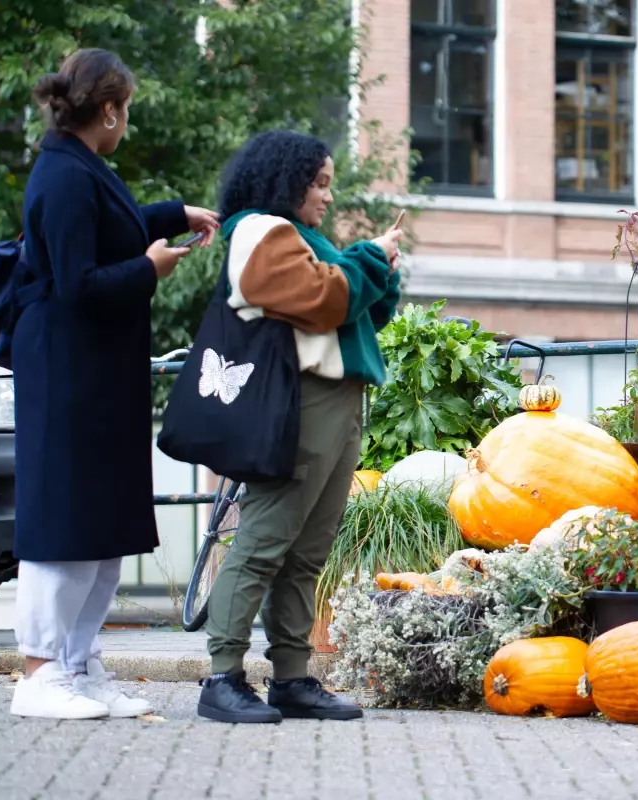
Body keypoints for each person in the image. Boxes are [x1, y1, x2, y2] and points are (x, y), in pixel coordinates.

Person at [11, 48, 219, 720]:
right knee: (65, 522)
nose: (125, 121)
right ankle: (40, 675)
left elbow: (112, 229)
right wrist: (150, 271)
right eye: (125, 110)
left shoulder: (79, 167)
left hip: (95, 372)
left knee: (100, 524)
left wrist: (171, 214)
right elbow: (76, 283)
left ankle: (77, 664)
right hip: (70, 373)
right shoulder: (64, 176)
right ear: (108, 110)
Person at [197, 131, 402, 724]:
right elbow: (324, 299)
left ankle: (291, 677)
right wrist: (367, 257)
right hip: (302, 400)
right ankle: (222, 677)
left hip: (336, 398)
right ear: (286, 181)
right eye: (318, 184)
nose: (326, 197)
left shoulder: (300, 237)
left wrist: (378, 268)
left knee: (307, 550)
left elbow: (357, 311)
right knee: (264, 539)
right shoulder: (259, 230)